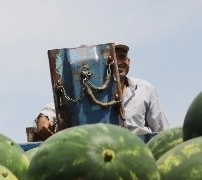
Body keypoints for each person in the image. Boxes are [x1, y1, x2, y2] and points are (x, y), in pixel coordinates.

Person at [33, 43, 169, 138]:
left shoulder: (145, 89)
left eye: (122, 57)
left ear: (128, 62)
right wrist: (44, 118)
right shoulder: (91, 89)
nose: (118, 62)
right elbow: (62, 103)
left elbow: (162, 131)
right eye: (113, 58)